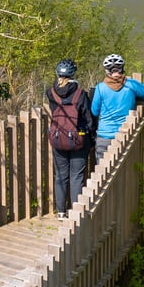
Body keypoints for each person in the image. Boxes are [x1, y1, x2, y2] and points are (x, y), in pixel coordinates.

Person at [46, 58, 95, 217]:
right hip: (78, 140)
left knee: (60, 176)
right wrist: (91, 137)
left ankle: (60, 212)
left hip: (58, 138)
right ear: (73, 74)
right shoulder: (80, 94)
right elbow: (88, 118)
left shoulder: (50, 92)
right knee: (76, 177)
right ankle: (75, 212)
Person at [88, 53, 144, 169]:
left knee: (103, 172)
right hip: (125, 135)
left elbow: (94, 111)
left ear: (106, 71)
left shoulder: (100, 88)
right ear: (122, 68)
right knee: (124, 170)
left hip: (104, 136)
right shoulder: (130, 85)